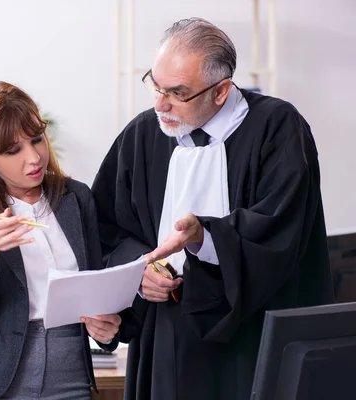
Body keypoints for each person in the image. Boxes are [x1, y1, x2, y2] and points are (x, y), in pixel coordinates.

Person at [91, 17, 334, 400]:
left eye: (177, 92)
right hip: (165, 340)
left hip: (249, 342)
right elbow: (106, 226)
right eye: (154, 86)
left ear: (220, 92)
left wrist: (205, 237)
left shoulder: (277, 128)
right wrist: (141, 270)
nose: (160, 104)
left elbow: (281, 231)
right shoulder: (142, 134)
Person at [0, 81, 122, 399]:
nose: (34, 157)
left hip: (70, 374)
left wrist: (107, 328)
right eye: (12, 150)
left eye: (37, 140)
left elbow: (98, 288)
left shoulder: (76, 198)